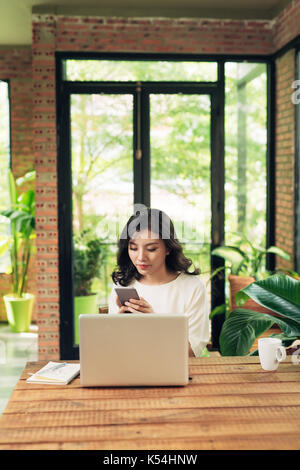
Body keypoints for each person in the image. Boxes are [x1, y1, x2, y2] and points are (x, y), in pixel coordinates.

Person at [108, 206, 209, 357]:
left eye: (151, 249)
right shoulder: (123, 285)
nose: (141, 257)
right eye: (134, 248)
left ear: (168, 248)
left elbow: (192, 352)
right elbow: (114, 349)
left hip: (175, 374)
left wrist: (155, 325)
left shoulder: (192, 287)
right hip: (129, 370)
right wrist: (120, 328)